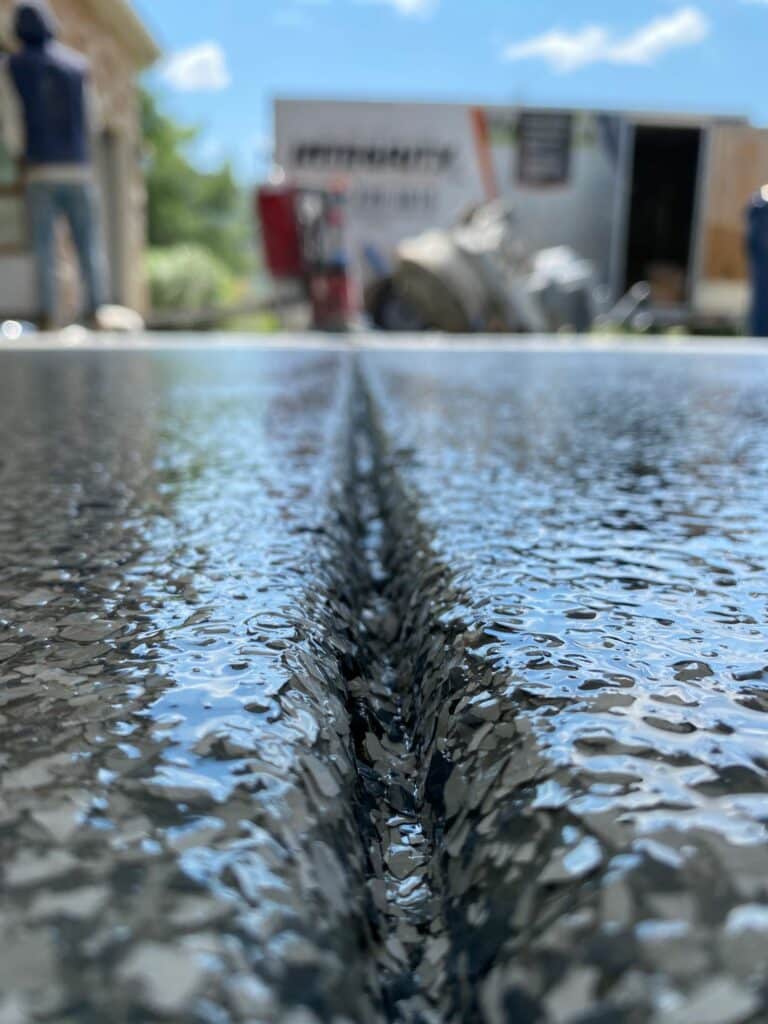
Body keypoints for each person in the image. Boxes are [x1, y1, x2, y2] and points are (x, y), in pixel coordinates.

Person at [1, 0, 104, 329]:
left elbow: (12, 118)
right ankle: (95, 310)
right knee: (88, 243)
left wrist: (20, 155)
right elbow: (93, 120)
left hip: (41, 168)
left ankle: (49, 315)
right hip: (79, 168)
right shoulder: (77, 66)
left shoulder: (12, 66)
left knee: (45, 246)